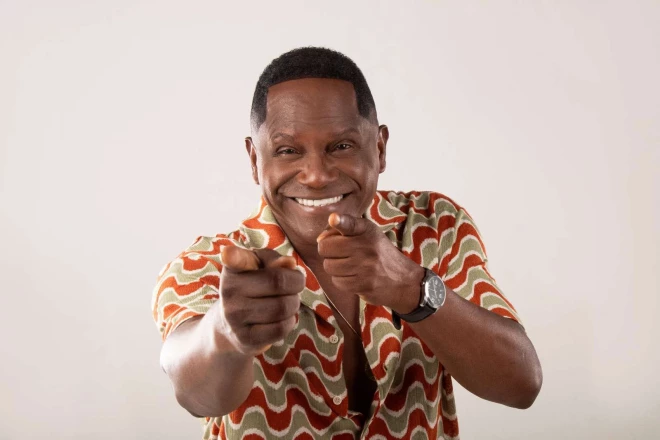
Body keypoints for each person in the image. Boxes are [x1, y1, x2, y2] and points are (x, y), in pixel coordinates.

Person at [152, 47, 542, 440]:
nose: (317, 175)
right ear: (255, 160)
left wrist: (412, 288)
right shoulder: (208, 264)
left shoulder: (433, 225)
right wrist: (225, 330)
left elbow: (521, 383)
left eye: (341, 146)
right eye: (287, 150)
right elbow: (192, 390)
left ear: (380, 148)